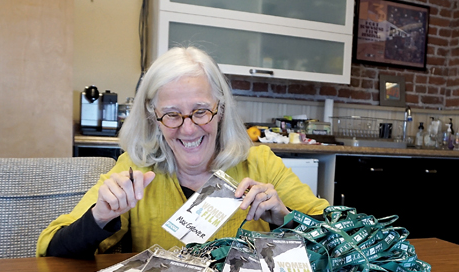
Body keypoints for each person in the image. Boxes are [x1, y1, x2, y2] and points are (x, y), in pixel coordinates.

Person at [36, 46, 329, 259]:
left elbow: (339, 237)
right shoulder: (135, 171)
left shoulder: (261, 164)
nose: (188, 130)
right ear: (153, 117)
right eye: (172, 115)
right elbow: (50, 249)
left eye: (200, 111)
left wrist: (283, 217)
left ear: (221, 110)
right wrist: (100, 216)